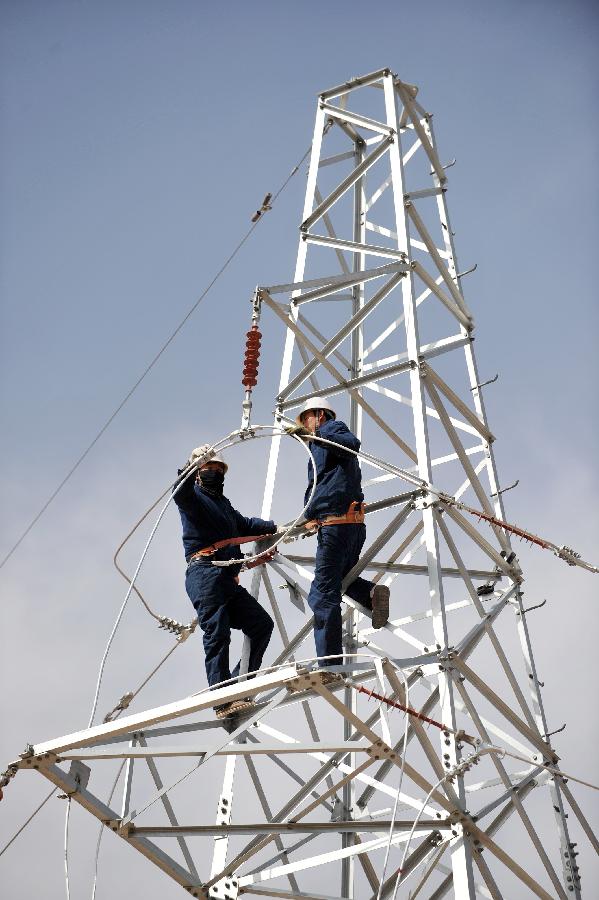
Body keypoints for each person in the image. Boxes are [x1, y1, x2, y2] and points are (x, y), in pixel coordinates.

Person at [287, 398, 390, 670]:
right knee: (342, 579)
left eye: (307, 419)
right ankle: (370, 593)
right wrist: (309, 516)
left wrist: (318, 434)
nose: (305, 426)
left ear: (319, 415)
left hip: (338, 526)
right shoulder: (318, 449)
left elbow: (352, 445)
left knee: (322, 594)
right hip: (347, 525)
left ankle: (330, 663)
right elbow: (321, 486)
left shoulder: (332, 430)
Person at [174, 445, 277, 718]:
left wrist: (275, 527)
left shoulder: (223, 505)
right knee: (217, 634)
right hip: (205, 574)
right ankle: (222, 700)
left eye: (219, 469)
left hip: (226, 578)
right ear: (198, 473)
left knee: (261, 624)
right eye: (210, 469)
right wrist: (190, 466)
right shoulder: (193, 497)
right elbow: (179, 492)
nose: (215, 473)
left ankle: (238, 686)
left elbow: (245, 525)